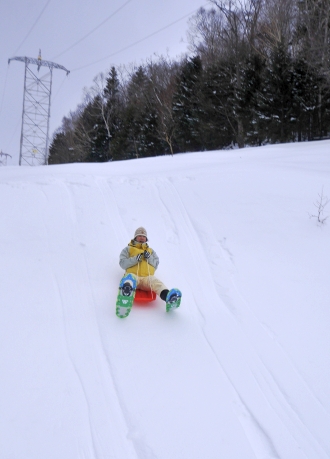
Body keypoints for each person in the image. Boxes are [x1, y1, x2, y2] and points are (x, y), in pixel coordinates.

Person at [119, 227, 171, 302]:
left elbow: (156, 264)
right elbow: (122, 264)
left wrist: (149, 258)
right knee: (129, 279)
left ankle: (168, 297)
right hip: (133, 276)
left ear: (146, 238)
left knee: (155, 282)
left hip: (147, 279)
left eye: (144, 236)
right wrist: (135, 259)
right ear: (135, 237)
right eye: (139, 235)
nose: (142, 238)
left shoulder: (151, 251)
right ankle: (126, 294)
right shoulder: (128, 249)